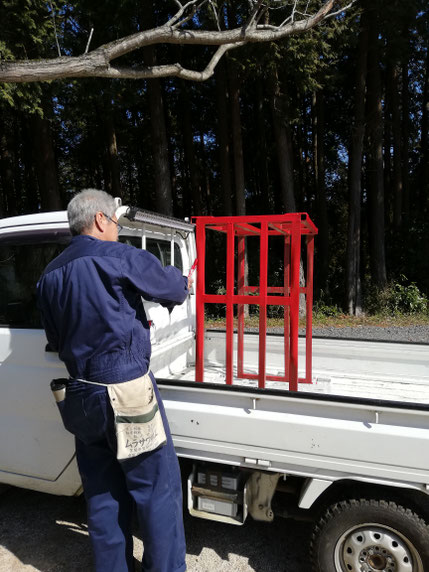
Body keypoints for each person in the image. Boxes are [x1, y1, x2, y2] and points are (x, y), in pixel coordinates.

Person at [37, 189, 189, 572]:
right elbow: (173, 289)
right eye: (117, 224)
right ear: (101, 220)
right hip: (127, 392)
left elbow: (55, 341)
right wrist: (180, 275)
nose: (118, 231)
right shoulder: (118, 257)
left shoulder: (49, 276)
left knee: (102, 492)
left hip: (81, 395)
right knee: (156, 491)